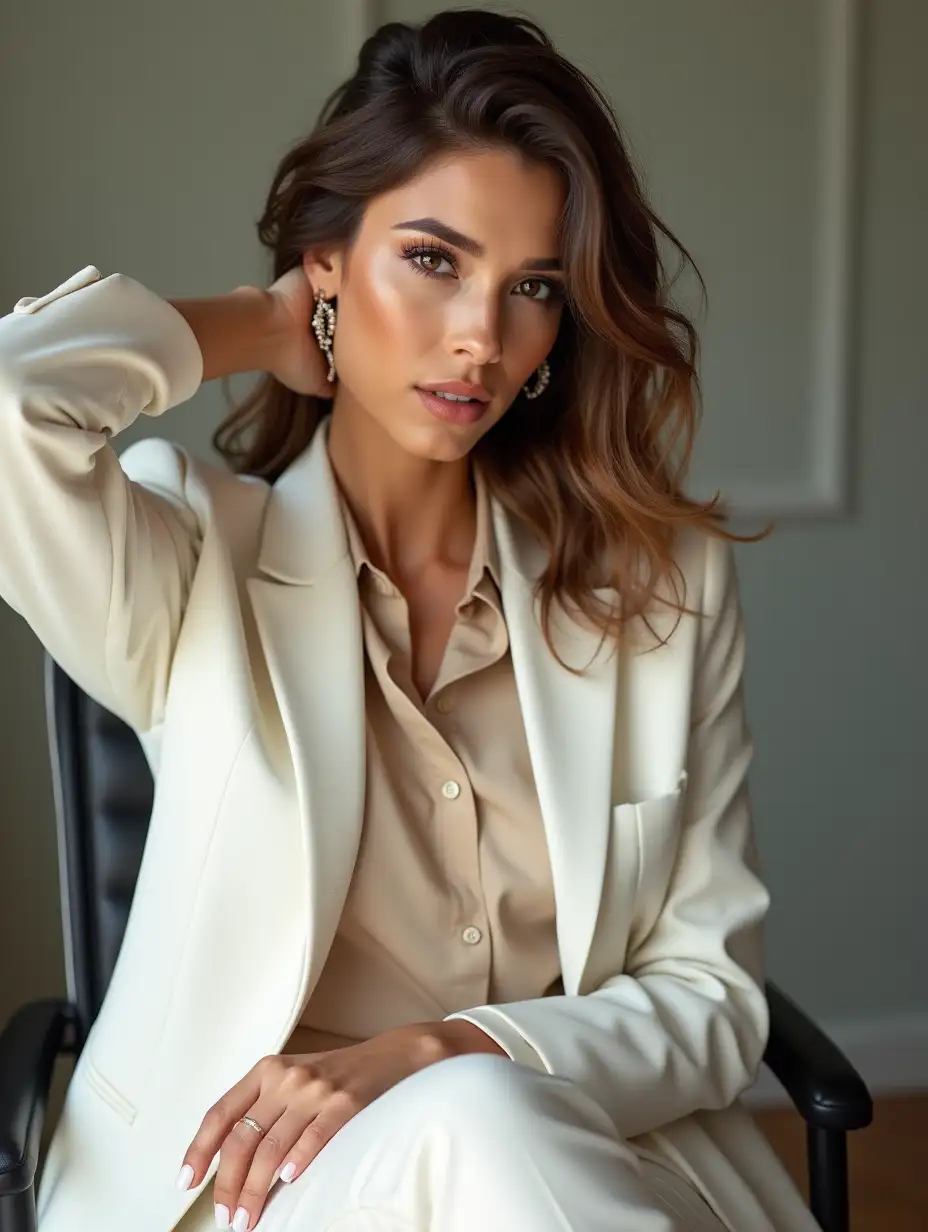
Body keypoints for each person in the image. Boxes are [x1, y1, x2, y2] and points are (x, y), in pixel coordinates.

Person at [0, 10, 818, 1232]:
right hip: (262, 1187)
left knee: (476, 1114)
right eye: (432, 259)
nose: (481, 337)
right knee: (471, 1125)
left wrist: (447, 1045)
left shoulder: (661, 587)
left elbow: (709, 994)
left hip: (568, 1142)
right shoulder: (194, 560)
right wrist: (260, 325)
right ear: (328, 264)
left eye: (530, 288)